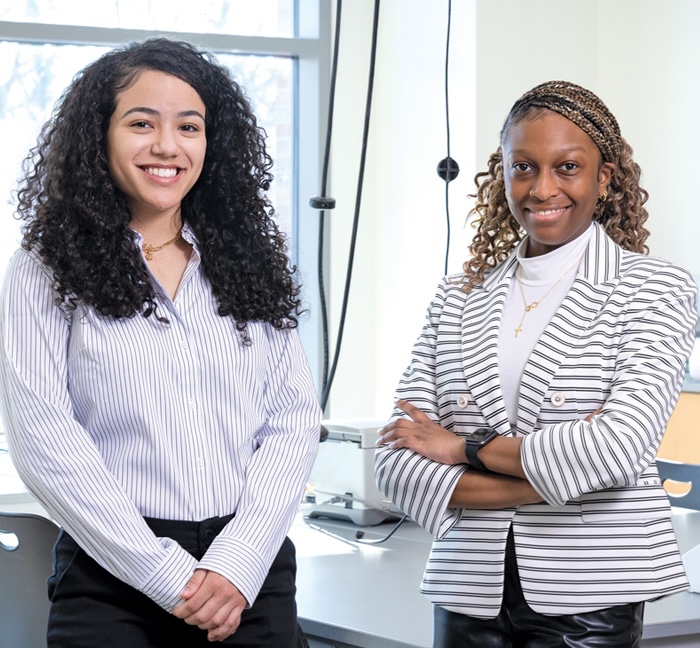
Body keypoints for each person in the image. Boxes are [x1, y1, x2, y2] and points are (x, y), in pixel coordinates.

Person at [0, 38, 321, 647]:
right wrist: (168, 577)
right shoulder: (44, 268)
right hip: (111, 578)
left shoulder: (246, 259)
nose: (167, 147)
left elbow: (292, 421)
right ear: (101, 136)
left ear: (212, 142)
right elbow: (44, 439)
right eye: (141, 123)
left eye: (189, 126)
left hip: (247, 577)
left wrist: (238, 561)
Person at [375, 80, 698, 647]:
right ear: (502, 173)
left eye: (567, 167)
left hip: (590, 593)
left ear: (605, 177)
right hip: (467, 590)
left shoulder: (655, 289)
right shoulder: (458, 296)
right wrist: (565, 476)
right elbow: (396, 465)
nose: (541, 188)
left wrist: (461, 449)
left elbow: (617, 450)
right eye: (523, 166)